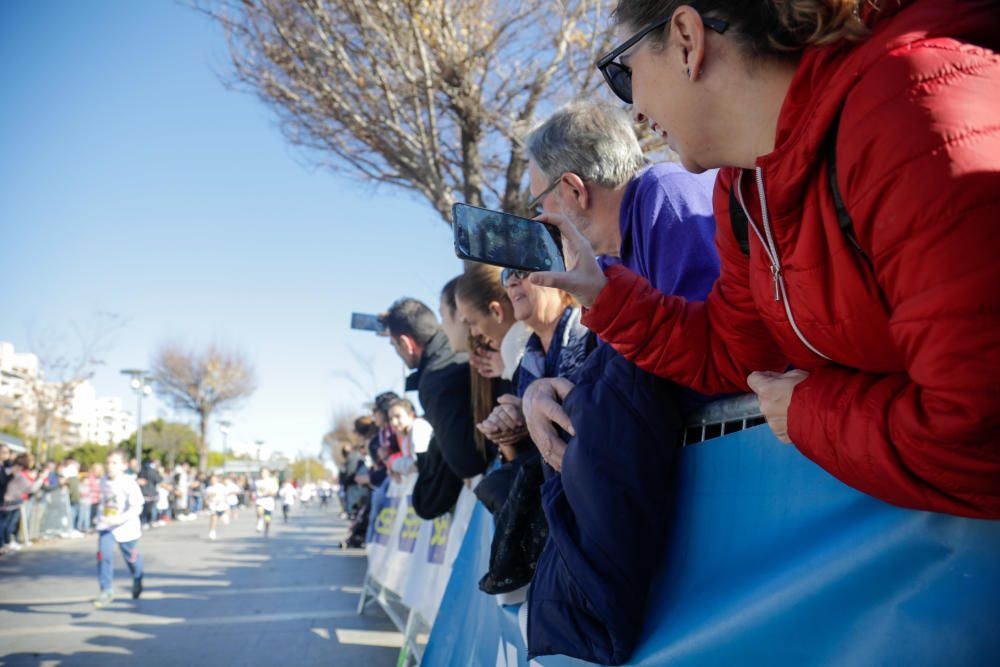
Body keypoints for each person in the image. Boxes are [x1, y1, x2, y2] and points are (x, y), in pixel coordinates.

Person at [527, 0, 1000, 519]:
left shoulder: (910, 116)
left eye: (625, 73)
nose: (634, 110)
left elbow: (978, 436)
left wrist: (807, 413)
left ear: (687, 38)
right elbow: (732, 353)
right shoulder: (746, 188)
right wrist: (604, 297)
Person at [381, 298, 490, 518]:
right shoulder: (453, 350)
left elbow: (465, 463)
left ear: (406, 343)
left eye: (394, 346)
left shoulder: (436, 381)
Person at [93, 448, 144, 608]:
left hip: (126, 527)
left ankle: (138, 577)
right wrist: (100, 517)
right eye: (108, 462)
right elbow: (104, 502)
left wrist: (119, 518)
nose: (110, 466)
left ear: (123, 465)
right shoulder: (103, 481)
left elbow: (137, 507)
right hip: (107, 526)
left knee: (131, 558)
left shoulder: (129, 482)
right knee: (104, 555)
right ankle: (106, 590)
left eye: (114, 463)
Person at [386, 398, 433, 477]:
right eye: (390, 419)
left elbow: (418, 464)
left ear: (411, 415)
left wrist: (393, 464)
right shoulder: (405, 434)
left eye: (398, 416)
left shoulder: (418, 427)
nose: (393, 422)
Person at [254, 468, 278, 536]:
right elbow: (253, 490)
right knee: (259, 512)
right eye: (262, 472)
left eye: (265, 472)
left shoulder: (272, 481)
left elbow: (275, 492)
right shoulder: (257, 481)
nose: (263, 474)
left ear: (268, 473)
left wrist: (268, 492)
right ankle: (260, 521)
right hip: (260, 500)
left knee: (267, 518)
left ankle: (266, 529)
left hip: (268, 501)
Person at [205, 474, 229, 540]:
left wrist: (225, 503)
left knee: (222, 519)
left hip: (221, 505)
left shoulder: (221, 487)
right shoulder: (208, 489)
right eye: (211, 480)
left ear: (217, 479)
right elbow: (206, 498)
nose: (213, 481)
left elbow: (226, 495)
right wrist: (207, 503)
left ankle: (224, 515)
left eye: (214, 479)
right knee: (213, 517)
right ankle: (212, 531)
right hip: (212, 505)